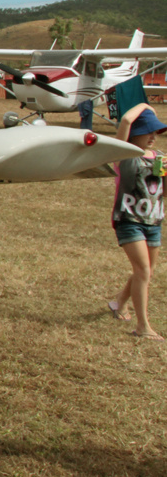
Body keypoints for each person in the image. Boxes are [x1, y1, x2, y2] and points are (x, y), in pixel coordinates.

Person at [106, 103, 167, 339]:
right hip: (129, 219)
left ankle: (119, 303)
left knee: (147, 271)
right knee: (142, 270)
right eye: (148, 131)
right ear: (135, 133)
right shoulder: (124, 153)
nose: (153, 136)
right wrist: (143, 105)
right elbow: (125, 122)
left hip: (154, 221)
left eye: (156, 132)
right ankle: (143, 327)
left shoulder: (160, 157)